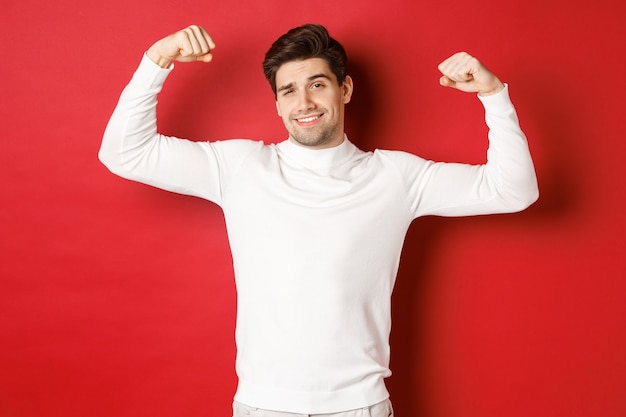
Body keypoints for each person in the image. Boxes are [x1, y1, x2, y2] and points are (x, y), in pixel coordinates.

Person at [99, 24, 538, 417]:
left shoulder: (397, 177)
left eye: (316, 84)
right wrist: (157, 60)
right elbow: (124, 153)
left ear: (344, 89)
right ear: (276, 103)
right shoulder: (239, 167)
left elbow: (513, 190)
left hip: (359, 406)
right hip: (263, 404)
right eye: (288, 90)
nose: (304, 102)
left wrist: (493, 95)